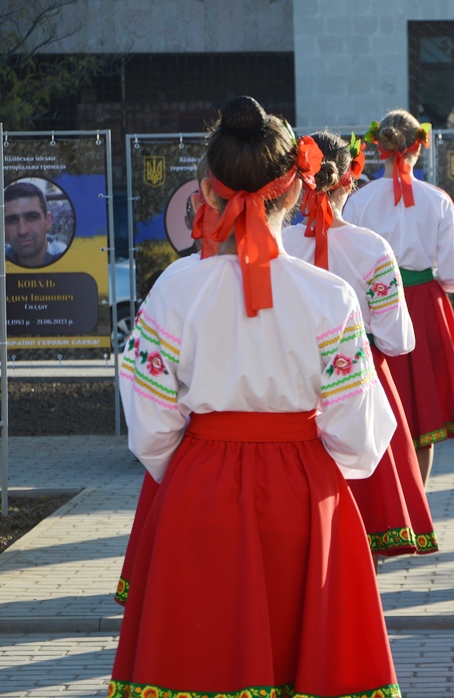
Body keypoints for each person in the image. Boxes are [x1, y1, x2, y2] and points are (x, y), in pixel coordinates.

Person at [109, 96, 401, 698]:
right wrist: (316, 468)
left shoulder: (172, 288)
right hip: (304, 491)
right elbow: (358, 435)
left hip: (199, 489)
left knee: (200, 661)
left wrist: (194, 464)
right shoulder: (331, 297)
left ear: (207, 193)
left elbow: (150, 423)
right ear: (295, 190)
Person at [284, 130, 438, 559]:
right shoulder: (372, 247)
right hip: (361, 369)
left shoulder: (278, 245)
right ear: (350, 179)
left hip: (294, 377)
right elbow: (397, 339)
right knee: (367, 484)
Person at [345, 109, 454, 486]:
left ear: (380, 148)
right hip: (423, 307)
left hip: (372, 308)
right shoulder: (437, 200)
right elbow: (453, 276)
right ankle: (418, 505)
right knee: (422, 416)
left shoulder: (359, 201)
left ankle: (384, 506)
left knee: (376, 405)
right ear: (419, 148)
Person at [4, 181, 68, 267]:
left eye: (32, 217)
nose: (22, 231)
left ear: (47, 221)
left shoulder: (69, 259)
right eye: (12, 220)